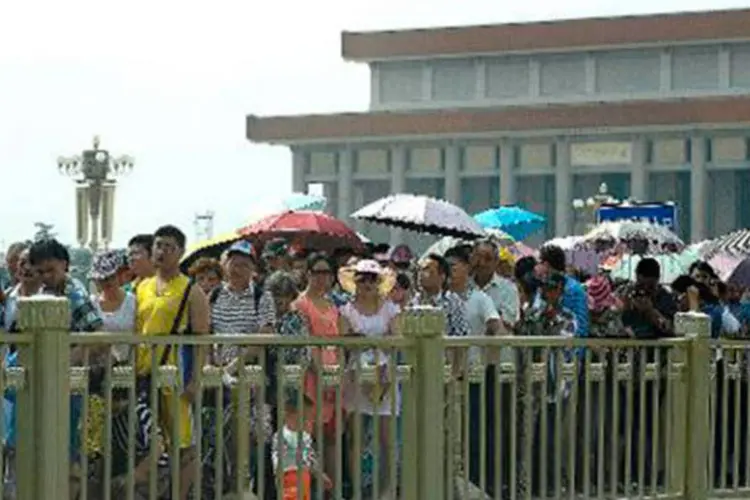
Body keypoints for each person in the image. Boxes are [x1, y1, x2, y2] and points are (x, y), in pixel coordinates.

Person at [134, 225, 210, 500]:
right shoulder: (141, 287)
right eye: (158, 245)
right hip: (144, 371)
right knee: (153, 441)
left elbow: (202, 337)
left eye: (169, 246)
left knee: (182, 444)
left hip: (175, 373)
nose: (162, 251)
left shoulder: (191, 290)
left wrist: (195, 379)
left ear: (180, 253)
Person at [28, 237, 104, 498]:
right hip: (55, 383)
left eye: (50, 270)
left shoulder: (74, 293)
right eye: (40, 272)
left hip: (73, 383)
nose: (45, 276)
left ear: (64, 265)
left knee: (70, 451)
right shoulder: (44, 294)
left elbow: (96, 336)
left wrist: (60, 362)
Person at [338, 259, 400, 499]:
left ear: (380, 282)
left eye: (372, 278)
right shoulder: (346, 310)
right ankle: (356, 490)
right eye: (362, 278)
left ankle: (388, 489)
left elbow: (397, 337)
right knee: (356, 436)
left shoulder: (390, 308)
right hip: (356, 374)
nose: (367, 282)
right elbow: (345, 340)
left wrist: (365, 340)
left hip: (386, 374)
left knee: (388, 437)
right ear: (355, 281)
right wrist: (374, 340)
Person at [445, 246, 501, 497]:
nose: (450, 271)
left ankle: (475, 484)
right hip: (444, 374)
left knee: (472, 431)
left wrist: (486, 352)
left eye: (454, 266)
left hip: (472, 374)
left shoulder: (479, 298)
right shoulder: (441, 298)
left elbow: (495, 324)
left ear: (467, 268)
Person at [291, 253, 343, 482]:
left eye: (326, 273)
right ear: (308, 274)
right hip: (310, 376)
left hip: (334, 374)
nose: (322, 278)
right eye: (317, 272)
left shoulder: (333, 305)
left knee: (331, 436)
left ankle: (334, 488)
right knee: (305, 435)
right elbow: (307, 341)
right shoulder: (300, 304)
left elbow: (341, 340)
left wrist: (337, 372)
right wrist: (320, 372)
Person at [471, 240, 519, 329]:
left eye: (488, 259)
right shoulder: (464, 285)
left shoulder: (508, 289)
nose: (482, 263)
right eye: (478, 258)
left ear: (496, 261)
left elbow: (508, 323)